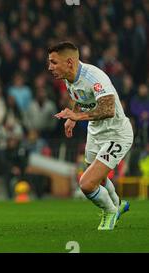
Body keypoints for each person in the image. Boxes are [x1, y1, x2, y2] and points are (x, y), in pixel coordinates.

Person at [48, 41, 132, 230]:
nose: (50, 67)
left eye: (54, 62)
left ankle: (110, 211)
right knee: (99, 178)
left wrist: (77, 116)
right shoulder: (68, 77)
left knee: (86, 184)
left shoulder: (95, 78)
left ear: (69, 62)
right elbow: (81, 97)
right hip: (95, 132)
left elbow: (109, 109)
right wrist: (73, 116)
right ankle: (118, 204)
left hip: (116, 134)